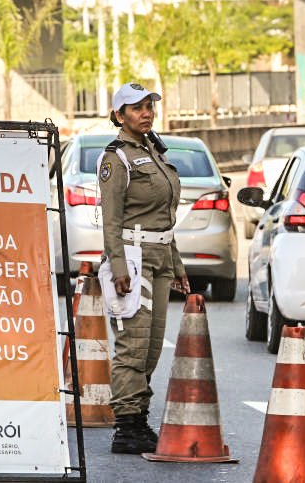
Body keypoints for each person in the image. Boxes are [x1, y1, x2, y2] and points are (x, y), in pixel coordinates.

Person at [99, 82, 190, 455]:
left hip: (160, 258)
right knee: (132, 347)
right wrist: (118, 265)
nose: (146, 112)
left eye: (149, 105)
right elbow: (111, 220)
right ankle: (126, 427)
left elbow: (164, 219)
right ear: (119, 116)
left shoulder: (154, 150)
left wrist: (178, 264)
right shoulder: (116, 159)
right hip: (133, 261)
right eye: (136, 108)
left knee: (151, 348)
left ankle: (140, 418)